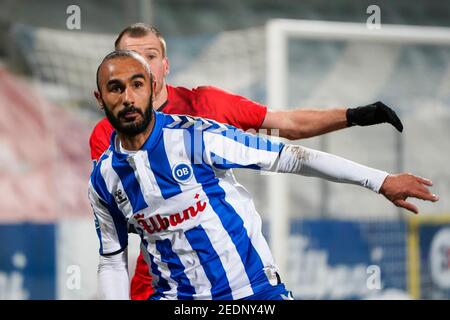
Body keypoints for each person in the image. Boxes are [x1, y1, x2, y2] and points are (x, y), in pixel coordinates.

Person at [89, 23, 406, 300]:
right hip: (160, 286)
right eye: (118, 80)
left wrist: (354, 119)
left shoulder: (205, 113)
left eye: (148, 58)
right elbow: (120, 230)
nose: (128, 93)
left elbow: (287, 130)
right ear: (103, 94)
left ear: (161, 70)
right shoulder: (105, 152)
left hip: (247, 286)